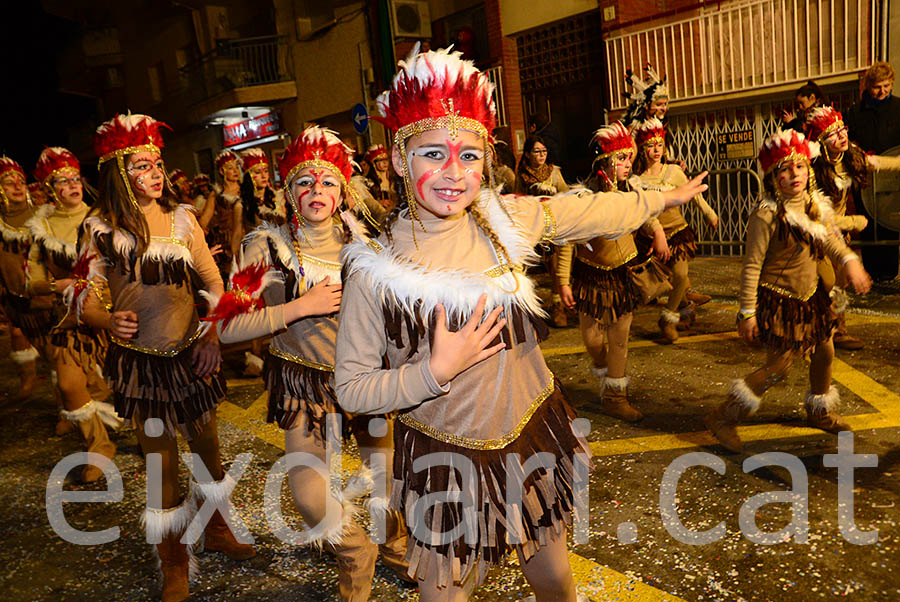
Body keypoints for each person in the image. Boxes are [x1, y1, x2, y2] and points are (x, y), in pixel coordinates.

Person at [334, 46, 707, 601]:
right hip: (444, 456)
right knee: (444, 594)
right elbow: (352, 389)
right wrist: (432, 372)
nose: (453, 174)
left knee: (555, 582)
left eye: (468, 156)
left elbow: (589, 211)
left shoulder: (503, 219)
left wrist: (660, 198)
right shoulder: (374, 268)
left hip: (528, 434)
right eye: (432, 154)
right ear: (397, 159)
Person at [214, 125, 409, 601]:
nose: (315, 191)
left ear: (343, 190)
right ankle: (352, 549)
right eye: (304, 182)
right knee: (307, 492)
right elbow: (225, 327)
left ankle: (398, 547)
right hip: (301, 381)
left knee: (387, 477)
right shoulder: (266, 245)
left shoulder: (371, 243)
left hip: (366, 376)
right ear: (288, 191)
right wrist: (299, 306)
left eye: (326, 182)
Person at [73, 113, 255, 602]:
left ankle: (217, 529)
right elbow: (85, 299)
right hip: (140, 367)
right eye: (142, 165)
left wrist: (212, 336)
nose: (156, 172)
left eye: (158, 163)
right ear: (117, 173)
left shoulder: (182, 220)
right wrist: (105, 321)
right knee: (162, 467)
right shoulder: (97, 229)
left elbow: (214, 282)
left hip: (191, 357)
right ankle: (173, 561)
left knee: (209, 453)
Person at [704, 130, 872, 453]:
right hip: (780, 300)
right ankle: (724, 416)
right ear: (773, 178)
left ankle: (819, 410)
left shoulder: (813, 205)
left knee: (826, 350)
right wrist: (747, 313)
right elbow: (751, 267)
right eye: (784, 169)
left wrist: (850, 261)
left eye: (799, 167)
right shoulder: (766, 214)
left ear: (809, 169)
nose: (793, 174)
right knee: (779, 367)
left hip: (812, 298)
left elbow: (830, 241)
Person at [557, 122, 670, 422]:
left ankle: (616, 396)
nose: (627, 164)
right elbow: (567, 242)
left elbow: (645, 212)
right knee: (593, 339)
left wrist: (657, 231)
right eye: (621, 159)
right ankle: (606, 371)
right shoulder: (582, 198)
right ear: (604, 163)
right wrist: (562, 282)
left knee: (620, 337)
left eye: (629, 159)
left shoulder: (631, 190)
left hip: (624, 273)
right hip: (590, 275)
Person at [27, 147, 121, 482]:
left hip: (113, 311)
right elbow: (32, 281)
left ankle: (146, 432)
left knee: (128, 377)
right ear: (51, 190)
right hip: (69, 318)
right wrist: (56, 285)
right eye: (62, 181)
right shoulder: (41, 228)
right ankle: (99, 445)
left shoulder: (104, 216)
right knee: (69, 385)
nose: (72, 185)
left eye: (74, 178)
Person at [806, 105, 900, 348]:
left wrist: (899, 162)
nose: (842, 135)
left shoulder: (850, 156)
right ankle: (808, 327)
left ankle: (837, 330)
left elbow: (875, 162)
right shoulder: (811, 169)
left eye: (843, 129)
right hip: (814, 234)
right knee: (823, 283)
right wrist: (852, 221)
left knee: (838, 283)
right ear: (821, 141)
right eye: (834, 133)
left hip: (838, 234)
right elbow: (817, 214)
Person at [633, 118, 719, 343]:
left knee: (680, 275)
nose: (656, 150)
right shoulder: (636, 180)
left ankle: (668, 319)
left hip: (677, 232)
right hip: (650, 237)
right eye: (651, 146)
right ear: (642, 150)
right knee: (664, 282)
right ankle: (686, 308)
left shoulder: (673, 171)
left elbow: (694, 193)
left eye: (660, 145)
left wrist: (710, 214)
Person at [0, 156, 54, 400]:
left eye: (21, 181)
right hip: (18, 301)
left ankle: (71, 404)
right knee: (28, 341)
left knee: (56, 353)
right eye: (9, 183)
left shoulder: (44, 217)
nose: (18, 186)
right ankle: (29, 378)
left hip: (49, 297)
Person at [843, 61, 900, 282]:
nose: (882, 91)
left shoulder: (897, 107)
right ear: (868, 86)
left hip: (892, 177)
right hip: (865, 178)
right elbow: (848, 141)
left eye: (887, 85)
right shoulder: (856, 112)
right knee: (868, 223)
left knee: (890, 223)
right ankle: (872, 272)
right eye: (877, 86)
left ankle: (888, 272)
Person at [238, 147, 284, 376]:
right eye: (257, 172)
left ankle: (281, 352)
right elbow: (238, 236)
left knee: (278, 308)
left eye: (265, 171)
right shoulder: (242, 204)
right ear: (248, 176)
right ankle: (255, 358)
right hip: (255, 262)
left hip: (277, 260)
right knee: (254, 310)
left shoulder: (278, 199)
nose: (263, 176)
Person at [515, 135, 571, 327]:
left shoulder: (554, 172)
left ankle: (558, 307)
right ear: (528, 154)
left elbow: (565, 193)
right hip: (532, 225)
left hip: (552, 224)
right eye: (537, 151)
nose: (541, 155)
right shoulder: (522, 174)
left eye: (544, 151)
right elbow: (517, 198)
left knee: (556, 266)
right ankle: (528, 307)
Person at [363, 144, 397, 211]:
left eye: (386, 159)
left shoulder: (394, 179)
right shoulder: (368, 182)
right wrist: (378, 203)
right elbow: (364, 203)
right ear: (374, 164)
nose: (385, 162)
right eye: (380, 160)